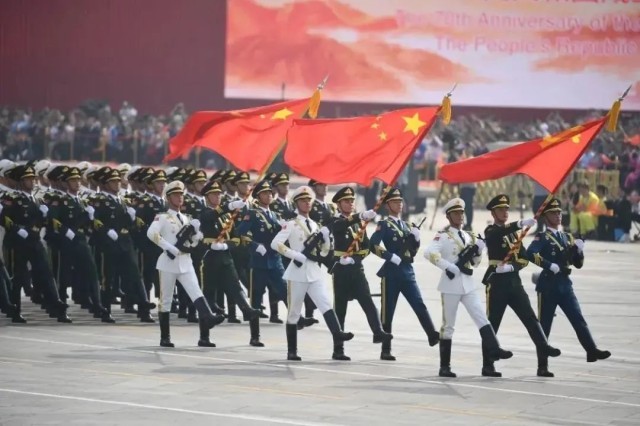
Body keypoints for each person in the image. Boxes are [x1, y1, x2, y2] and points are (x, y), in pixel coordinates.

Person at [424, 197, 512, 378]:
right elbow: (429, 253)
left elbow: (475, 263)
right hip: (450, 286)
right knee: (448, 326)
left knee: (482, 318)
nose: (460, 216)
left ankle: (494, 349)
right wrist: (448, 266)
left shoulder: (469, 236)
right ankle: (444, 366)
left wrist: (478, 250)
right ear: (449, 216)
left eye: (462, 213)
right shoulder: (443, 236)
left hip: (468, 284)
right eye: (456, 213)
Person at [527, 198, 611, 372]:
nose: (558, 216)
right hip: (548, 286)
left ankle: (591, 350)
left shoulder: (567, 237)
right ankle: (542, 366)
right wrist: (549, 265)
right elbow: (530, 254)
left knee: (578, 319)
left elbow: (577, 264)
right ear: (545, 217)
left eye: (559, 212)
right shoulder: (542, 237)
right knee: (545, 326)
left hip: (565, 285)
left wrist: (579, 251)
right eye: (553, 213)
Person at [271, 186, 354, 361]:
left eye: (309, 200)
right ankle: (292, 351)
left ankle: (338, 335)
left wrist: (326, 241)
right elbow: (275, 244)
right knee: (294, 312)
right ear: (296, 203)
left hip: (314, 271)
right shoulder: (291, 224)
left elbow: (323, 252)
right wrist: (295, 255)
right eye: (303, 200)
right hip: (297, 273)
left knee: (325, 304)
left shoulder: (316, 225)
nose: (307, 203)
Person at [481, 194, 561, 377]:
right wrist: (519, 224)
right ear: (493, 213)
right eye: (501, 210)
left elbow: (524, 257)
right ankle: (488, 365)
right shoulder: (491, 230)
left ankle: (543, 346)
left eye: (506, 209)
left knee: (530, 318)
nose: (504, 212)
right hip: (497, 283)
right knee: (493, 323)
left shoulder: (514, 234)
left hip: (514, 282)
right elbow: (497, 235)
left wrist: (514, 266)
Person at [146, 180, 225, 347]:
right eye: (175, 195)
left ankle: (209, 317)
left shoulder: (186, 218)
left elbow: (192, 243)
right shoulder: (162, 217)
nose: (180, 198)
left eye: (181, 195)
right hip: (168, 263)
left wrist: (196, 235)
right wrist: (169, 247)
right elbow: (151, 234)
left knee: (196, 292)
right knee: (166, 300)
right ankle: (165, 337)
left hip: (185, 261)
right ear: (168, 198)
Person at [369, 187, 440, 361]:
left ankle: (432, 334)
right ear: (388, 205)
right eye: (395, 202)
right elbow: (373, 245)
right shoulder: (384, 224)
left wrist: (416, 238)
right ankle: (386, 349)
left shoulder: (407, 225)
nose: (399, 204)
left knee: (419, 304)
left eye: (400, 201)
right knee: (388, 312)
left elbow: (412, 251)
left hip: (407, 271)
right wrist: (389, 256)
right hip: (391, 274)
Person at [329, 186, 392, 360]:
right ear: (338, 204)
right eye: (346, 201)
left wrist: (355, 259)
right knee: (340, 309)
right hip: (341, 271)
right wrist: (360, 216)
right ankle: (338, 349)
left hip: (356, 270)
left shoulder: (359, 225)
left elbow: (366, 247)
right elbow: (340, 227)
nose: (350, 203)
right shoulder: (334, 220)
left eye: (351, 201)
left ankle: (378, 332)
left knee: (368, 302)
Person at [198, 179, 260, 346]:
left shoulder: (226, 217)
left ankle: (247, 310)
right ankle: (204, 337)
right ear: (207, 197)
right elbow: (209, 218)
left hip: (225, 257)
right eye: (214, 194)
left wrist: (227, 245)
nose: (218, 197)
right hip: (209, 259)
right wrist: (229, 206)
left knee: (235, 286)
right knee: (208, 295)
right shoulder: (204, 212)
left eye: (219, 194)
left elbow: (235, 237)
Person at [237, 179, 288, 345]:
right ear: (258, 197)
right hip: (259, 263)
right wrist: (254, 245)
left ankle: (297, 318)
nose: (269, 195)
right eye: (265, 193)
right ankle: (255, 336)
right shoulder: (252, 214)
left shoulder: (276, 216)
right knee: (256, 300)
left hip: (275, 261)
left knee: (285, 291)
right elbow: (240, 233)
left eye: (270, 193)